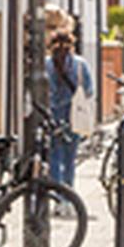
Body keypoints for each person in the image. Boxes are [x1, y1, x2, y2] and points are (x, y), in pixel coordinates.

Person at [44, 30, 93, 188]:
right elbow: (89, 90)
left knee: (54, 157)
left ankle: (57, 194)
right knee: (70, 158)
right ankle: (68, 193)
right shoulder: (80, 64)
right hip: (74, 115)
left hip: (53, 115)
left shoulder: (46, 64)